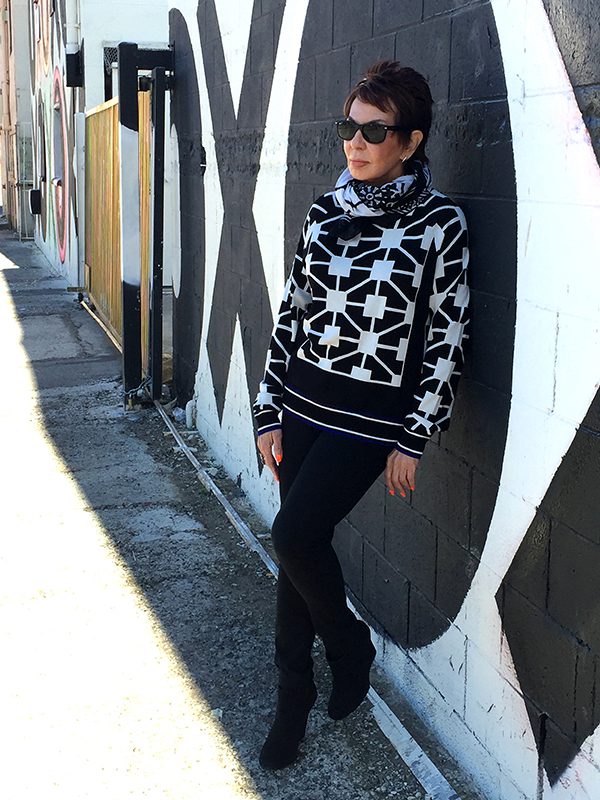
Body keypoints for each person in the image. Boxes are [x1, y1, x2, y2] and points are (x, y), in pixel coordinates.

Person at [253, 60, 470, 770]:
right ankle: (294, 699)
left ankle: (347, 648)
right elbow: (293, 312)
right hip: (303, 409)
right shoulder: (326, 209)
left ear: (409, 141)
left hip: (368, 425)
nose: (356, 142)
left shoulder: (441, 225)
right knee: (295, 554)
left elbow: (446, 338)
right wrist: (267, 409)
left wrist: (415, 436)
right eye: (350, 126)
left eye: (374, 130)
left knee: (292, 536)